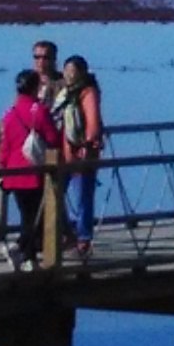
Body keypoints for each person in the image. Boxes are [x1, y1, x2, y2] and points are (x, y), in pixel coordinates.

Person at [0, 70, 66, 268]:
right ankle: (24, 253)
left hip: (14, 172)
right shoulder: (39, 111)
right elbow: (52, 139)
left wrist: (2, 170)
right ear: (36, 87)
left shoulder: (10, 114)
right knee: (35, 217)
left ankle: (24, 252)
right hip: (34, 172)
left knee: (27, 214)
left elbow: (5, 146)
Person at [52, 56, 105, 257]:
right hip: (64, 153)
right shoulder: (66, 93)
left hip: (83, 153)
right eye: (66, 71)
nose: (68, 75)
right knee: (56, 194)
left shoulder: (88, 92)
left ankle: (83, 239)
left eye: (72, 71)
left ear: (82, 72)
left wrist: (88, 144)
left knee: (83, 196)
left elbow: (93, 120)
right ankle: (64, 234)